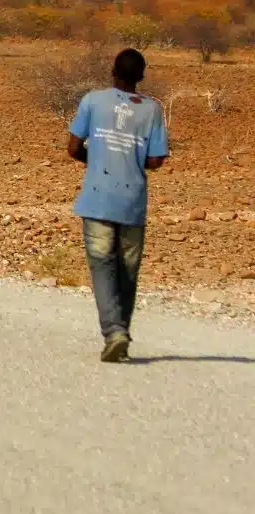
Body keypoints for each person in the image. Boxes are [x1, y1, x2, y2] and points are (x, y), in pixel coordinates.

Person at [66, 48, 169, 362]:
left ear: (113, 71)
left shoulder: (93, 101)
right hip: (132, 202)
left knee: (101, 264)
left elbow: (72, 148)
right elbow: (155, 160)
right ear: (141, 76)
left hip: (98, 195)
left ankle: (114, 332)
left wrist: (96, 158)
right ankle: (120, 328)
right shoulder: (152, 110)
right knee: (128, 270)